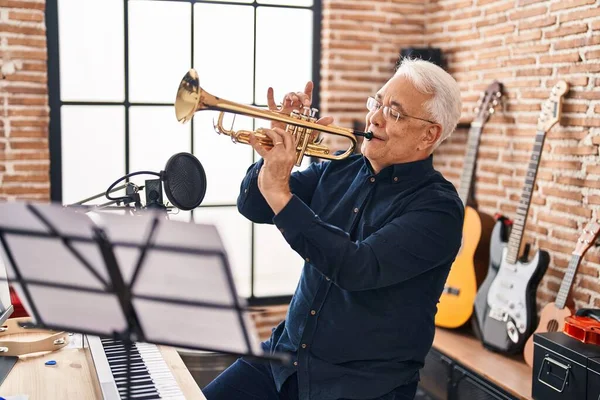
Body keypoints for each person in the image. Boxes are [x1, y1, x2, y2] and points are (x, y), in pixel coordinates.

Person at [203, 58, 465, 400]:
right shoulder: (341, 167)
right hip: (283, 359)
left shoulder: (438, 209)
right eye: (378, 103)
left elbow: (357, 268)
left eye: (395, 113)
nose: (375, 117)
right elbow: (253, 205)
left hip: (360, 386)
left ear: (429, 135)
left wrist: (282, 192)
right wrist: (275, 154)